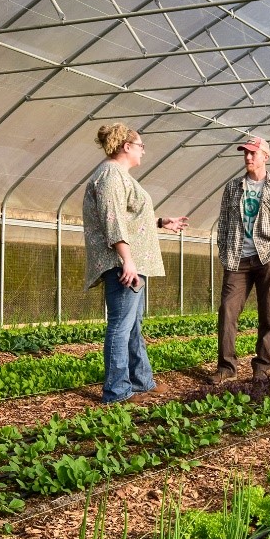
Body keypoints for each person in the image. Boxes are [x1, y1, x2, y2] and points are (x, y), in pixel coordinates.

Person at [82, 123, 188, 404]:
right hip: (121, 264)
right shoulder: (110, 176)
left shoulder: (119, 176)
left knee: (133, 324)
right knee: (120, 324)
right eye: (140, 145)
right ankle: (116, 391)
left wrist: (161, 223)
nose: (143, 151)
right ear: (126, 147)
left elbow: (128, 217)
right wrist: (127, 261)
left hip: (129, 261)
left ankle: (141, 381)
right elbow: (112, 221)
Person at [214, 136, 270, 383]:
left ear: (265, 157)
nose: (248, 158)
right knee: (227, 311)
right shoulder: (232, 188)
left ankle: (263, 365)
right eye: (245, 153)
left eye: (253, 153)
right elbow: (224, 224)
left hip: (266, 256)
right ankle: (227, 367)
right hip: (238, 258)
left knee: (267, 312)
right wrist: (225, 249)